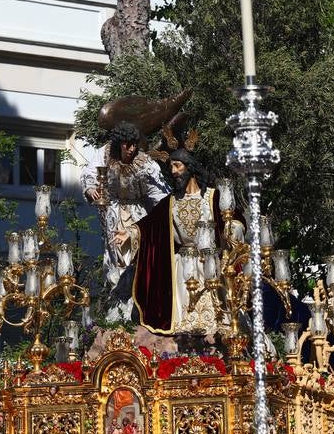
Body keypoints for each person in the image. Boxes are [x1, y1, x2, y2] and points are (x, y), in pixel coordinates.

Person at [130, 147, 244, 335]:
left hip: (210, 264)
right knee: (182, 318)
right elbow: (148, 227)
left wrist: (233, 228)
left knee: (220, 317)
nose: (173, 172)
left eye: (177, 166)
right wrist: (130, 234)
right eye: (171, 167)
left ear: (189, 167)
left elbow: (236, 219)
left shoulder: (213, 197)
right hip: (182, 267)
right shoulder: (171, 202)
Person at [81, 121, 169, 319]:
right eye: (127, 144)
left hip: (137, 214)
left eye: (134, 144)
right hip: (112, 214)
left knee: (135, 260)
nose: (131, 149)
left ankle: (136, 308)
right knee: (115, 260)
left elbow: (160, 193)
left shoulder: (145, 162)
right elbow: (89, 173)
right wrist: (90, 188)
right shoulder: (104, 154)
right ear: (119, 143)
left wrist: (166, 211)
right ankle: (117, 309)